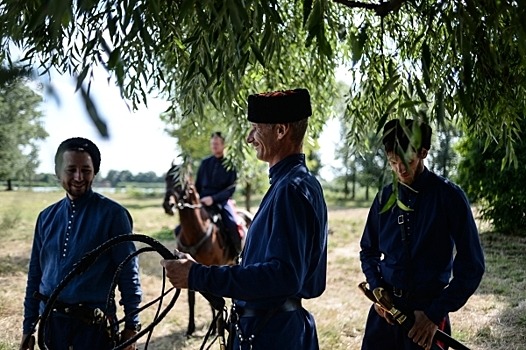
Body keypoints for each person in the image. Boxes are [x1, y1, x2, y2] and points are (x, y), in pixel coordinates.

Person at [161, 88, 328, 349]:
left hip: (273, 337)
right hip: (269, 330)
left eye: (255, 128)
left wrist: (199, 276)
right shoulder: (292, 184)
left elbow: (283, 276)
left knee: (231, 222)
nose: (250, 138)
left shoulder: (290, 189)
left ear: (280, 130)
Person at [359, 119, 485, 350]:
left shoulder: (450, 197)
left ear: (423, 152)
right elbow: (368, 250)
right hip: (384, 317)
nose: (400, 170)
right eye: (393, 162)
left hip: (426, 318)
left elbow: (472, 265)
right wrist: (378, 289)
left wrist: (433, 314)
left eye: (407, 160)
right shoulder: (383, 198)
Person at [20, 137, 142, 350]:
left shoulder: (113, 215)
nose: (78, 177)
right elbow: (35, 274)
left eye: (86, 170)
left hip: (94, 330)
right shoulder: (46, 217)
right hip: (51, 326)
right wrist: (28, 328)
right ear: (58, 173)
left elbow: (128, 273)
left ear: (94, 172)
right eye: (71, 169)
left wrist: (132, 327)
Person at [194, 131, 240, 254]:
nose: (214, 146)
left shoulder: (231, 165)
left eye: (217, 143)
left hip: (221, 201)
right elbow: (197, 185)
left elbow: (231, 189)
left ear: (224, 145)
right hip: (202, 201)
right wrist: (198, 199)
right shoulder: (204, 163)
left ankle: (237, 255)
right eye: (212, 144)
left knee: (232, 224)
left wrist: (213, 199)